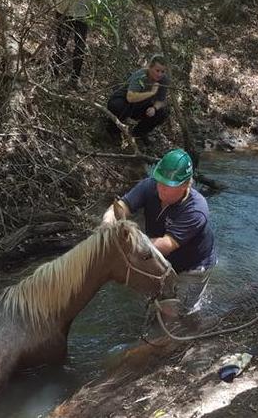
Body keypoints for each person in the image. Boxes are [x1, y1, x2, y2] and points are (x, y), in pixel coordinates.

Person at [102, 148, 216, 317]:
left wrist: (126, 247)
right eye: (159, 181)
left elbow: (166, 245)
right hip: (158, 259)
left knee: (175, 314)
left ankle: (186, 330)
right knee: (149, 303)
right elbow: (121, 206)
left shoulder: (196, 209)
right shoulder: (150, 185)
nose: (161, 188)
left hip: (192, 267)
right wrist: (106, 225)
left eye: (168, 186)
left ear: (186, 185)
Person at [38, 0, 106, 91]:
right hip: (64, 10)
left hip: (84, 12)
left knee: (80, 46)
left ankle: (75, 79)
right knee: (60, 44)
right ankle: (54, 77)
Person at [106, 54, 170, 142]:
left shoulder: (163, 80)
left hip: (140, 106)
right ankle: (113, 130)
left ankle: (138, 134)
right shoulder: (141, 76)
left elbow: (161, 100)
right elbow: (130, 97)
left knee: (163, 112)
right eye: (157, 70)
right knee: (119, 106)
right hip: (123, 100)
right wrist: (151, 93)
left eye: (162, 72)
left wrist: (154, 108)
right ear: (150, 67)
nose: (159, 74)